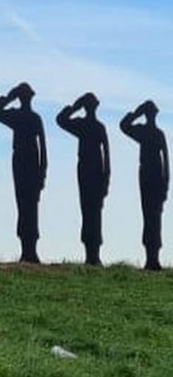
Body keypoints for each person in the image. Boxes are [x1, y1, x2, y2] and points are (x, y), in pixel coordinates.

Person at [0, 83, 47, 263]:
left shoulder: (31, 118)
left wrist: (42, 171)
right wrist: (9, 97)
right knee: (24, 205)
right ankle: (26, 249)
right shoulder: (22, 117)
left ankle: (30, 249)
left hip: (29, 163)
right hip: (21, 163)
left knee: (29, 206)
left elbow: (43, 148)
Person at [56, 93, 110, 266]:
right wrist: (75, 107)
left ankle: (94, 253)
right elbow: (61, 120)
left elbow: (106, 155)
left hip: (94, 171)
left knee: (93, 212)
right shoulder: (87, 125)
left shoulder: (94, 127)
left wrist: (106, 177)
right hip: (86, 170)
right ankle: (90, 253)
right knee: (88, 211)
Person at [120, 101, 169, 271]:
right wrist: (136, 113)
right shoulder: (145, 132)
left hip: (154, 176)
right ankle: (151, 257)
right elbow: (124, 126)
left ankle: (153, 258)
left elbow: (166, 162)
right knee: (149, 216)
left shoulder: (154, 133)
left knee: (154, 217)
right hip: (147, 175)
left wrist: (166, 184)